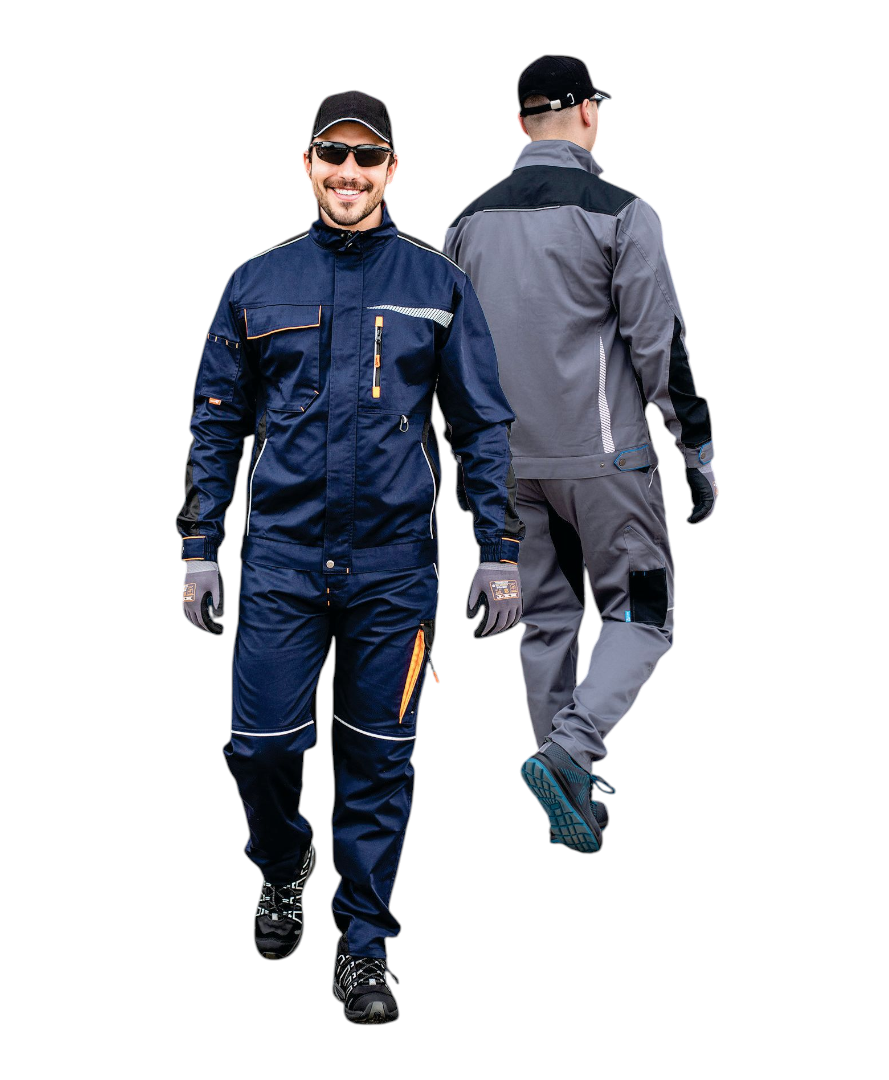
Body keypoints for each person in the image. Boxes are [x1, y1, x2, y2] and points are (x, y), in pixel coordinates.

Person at [177, 90, 524, 1023]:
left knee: (378, 764)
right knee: (260, 749)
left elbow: (481, 423)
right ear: (308, 165)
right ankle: (283, 860)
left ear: (391, 170)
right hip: (283, 564)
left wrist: (499, 548)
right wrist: (201, 545)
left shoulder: (436, 283)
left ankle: (363, 947)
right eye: (334, 154)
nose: (349, 173)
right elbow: (217, 421)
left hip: (393, 571)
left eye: (368, 158)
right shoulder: (257, 284)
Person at [444, 57, 716, 854]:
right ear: (588, 114)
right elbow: (660, 344)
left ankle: (565, 788)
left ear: (522, 123)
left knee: (548, 623)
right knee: (642, 615)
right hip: (606, 467)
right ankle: (571, 751)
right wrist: (696, 447)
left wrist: (473, 472)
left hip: (512, 471)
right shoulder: (622, 215)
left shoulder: (467, 225)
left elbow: (452, 361)